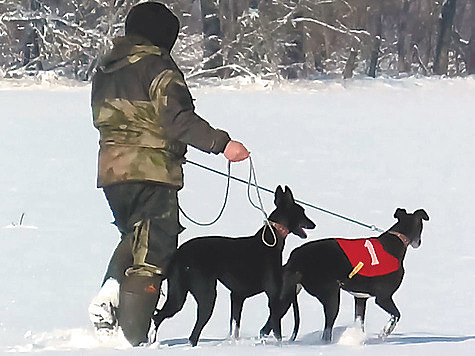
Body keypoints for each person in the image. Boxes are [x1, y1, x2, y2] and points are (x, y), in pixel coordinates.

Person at [88, 2, 249, 346]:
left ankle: (111, 292)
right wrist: (222, 144)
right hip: (151, 172)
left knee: (137, 236)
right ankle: (133, 340)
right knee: (155, 249)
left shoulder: (107, 69)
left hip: (112, 172)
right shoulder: (157, 66)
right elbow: (177, 119)